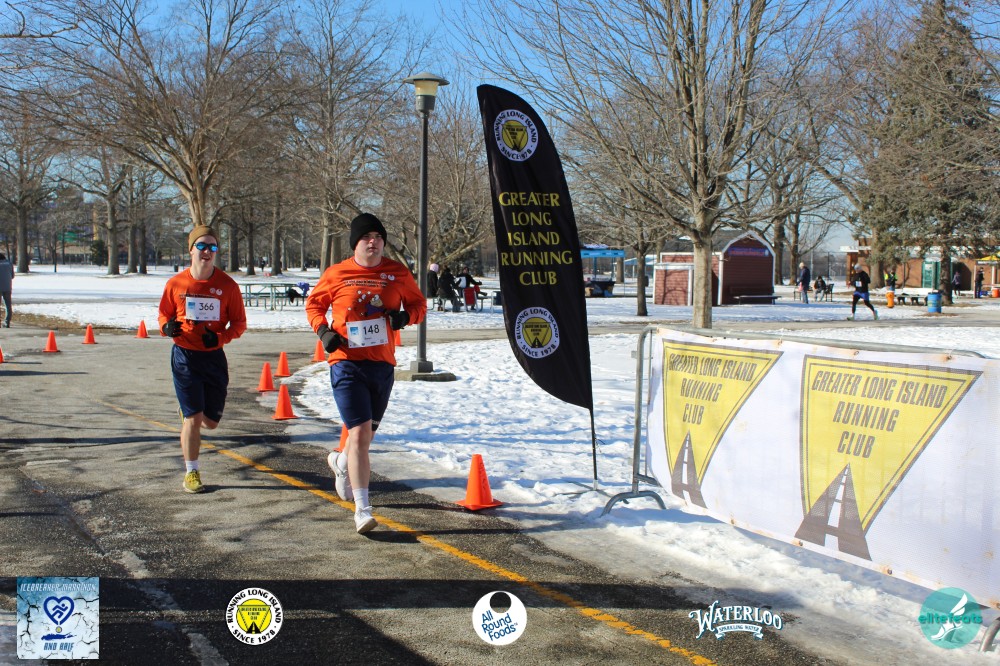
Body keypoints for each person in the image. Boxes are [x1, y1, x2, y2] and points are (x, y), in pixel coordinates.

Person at [306, 213, 426, 534]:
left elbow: (419, 306)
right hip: (345, 362)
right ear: (355, 244)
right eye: (366, 237)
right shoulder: (337, 273)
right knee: (358, 434)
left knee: (365, 437)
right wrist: (323, 332)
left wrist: (405, 318)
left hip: (382, 364)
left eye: (378, 237)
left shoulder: (397, 273)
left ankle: (340, 461)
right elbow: (314, 306)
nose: (373, 242)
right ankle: (362, 509)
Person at [158, 226, 247, 494]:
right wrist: (167, 328)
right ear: (191, 250)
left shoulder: (228, 286)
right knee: (194, 419)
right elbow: (163, 316)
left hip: (213, 357)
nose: (207, 251)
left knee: (210, 422)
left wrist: (219, 338)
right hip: (184, 356)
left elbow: (240, 324)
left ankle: (189, 412)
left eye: (212, 247)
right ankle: (192, 471)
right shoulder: (176, 284)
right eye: (202, 246)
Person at [0, 253, 13, 328]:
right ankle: (7, 322)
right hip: (7, 287)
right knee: (8, 305)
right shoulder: (9, 263)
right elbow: (12, 275)